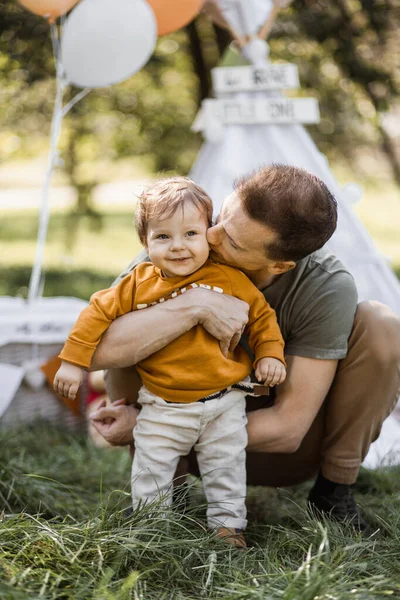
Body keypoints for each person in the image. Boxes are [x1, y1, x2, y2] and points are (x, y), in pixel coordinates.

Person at [90, 164, 400, 533]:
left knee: (382, 324)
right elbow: (96, 352)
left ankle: (334, 492)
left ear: (280, 265)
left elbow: (288, 429)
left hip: (273, 452)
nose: (212, 236)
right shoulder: (180, 251)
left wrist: (147, 426)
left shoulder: (324, 286)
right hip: (178, 449)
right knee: (136, 325)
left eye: (234, 242)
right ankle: (165, 494)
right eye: (221, 217)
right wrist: (193, 305)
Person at [54, 177, 287, 548]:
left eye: (190, 233)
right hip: (163, 403)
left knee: (225, 467)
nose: (178, 246)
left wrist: (270, 354)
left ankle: (228, 528)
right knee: (151, 469)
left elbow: (262, 319)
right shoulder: (137, 283)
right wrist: (72, 362)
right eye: (163, 237)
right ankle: (151, 527)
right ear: (145, 242)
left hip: (223, 402)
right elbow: (95, 314)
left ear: (208, 234)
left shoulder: (228, 278)